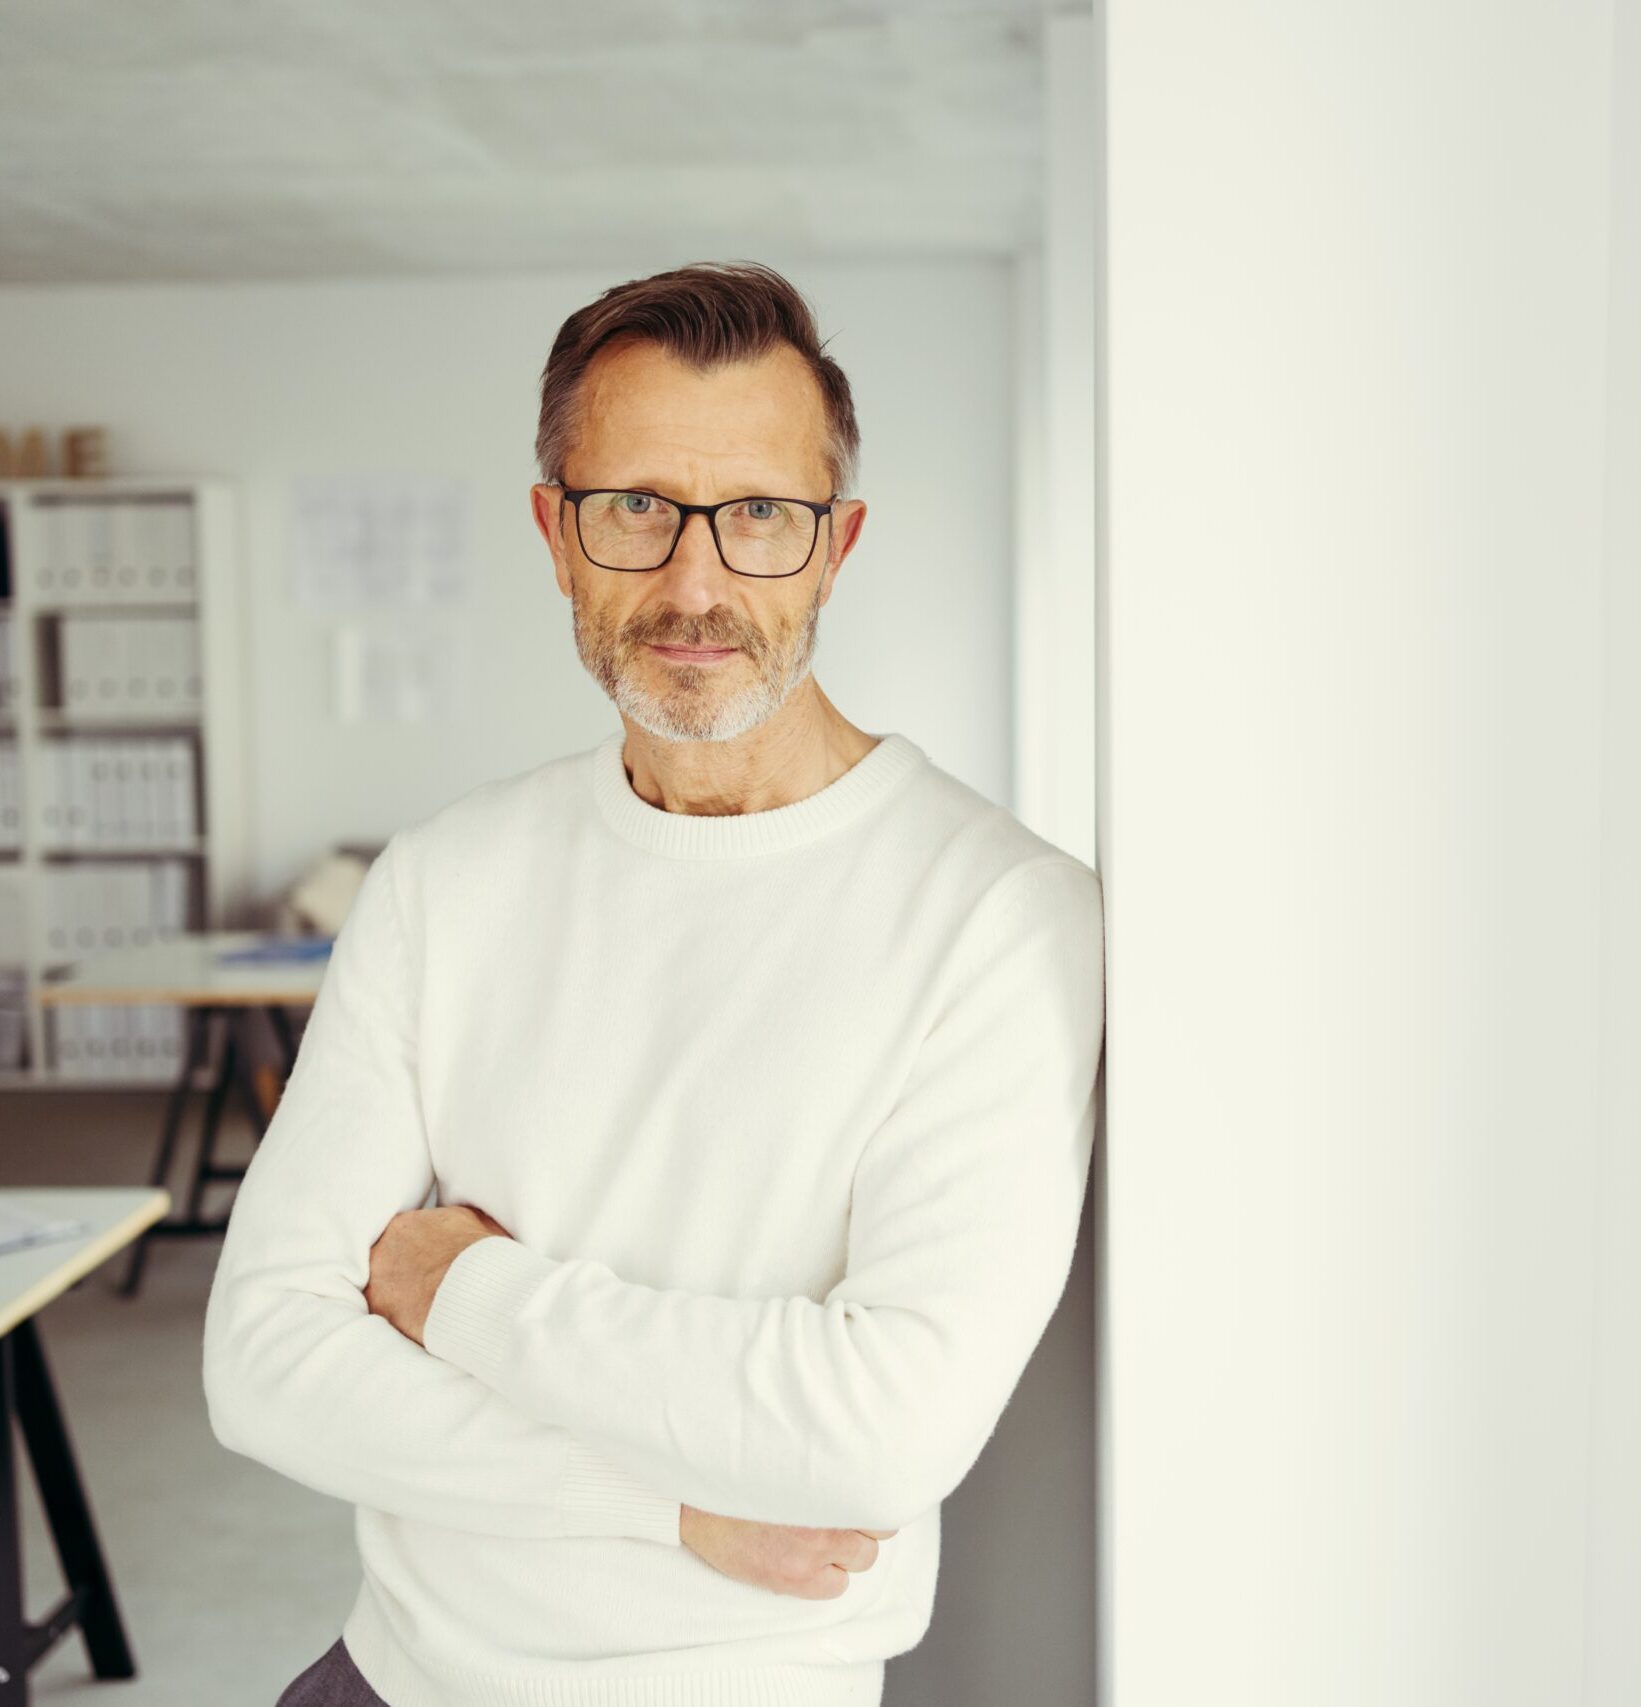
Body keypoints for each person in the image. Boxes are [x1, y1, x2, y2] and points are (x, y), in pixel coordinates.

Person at [203, 259, 1106, 1707]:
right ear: (556, 534)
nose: (697, 583)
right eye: (636, 509)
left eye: (758, 514)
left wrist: (458, 1285)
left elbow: (880, 1435)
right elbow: (261, 1366)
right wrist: (676, 1505)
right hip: (384, 1680)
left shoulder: (1000, 915)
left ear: (837, 544)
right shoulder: (444, 880)